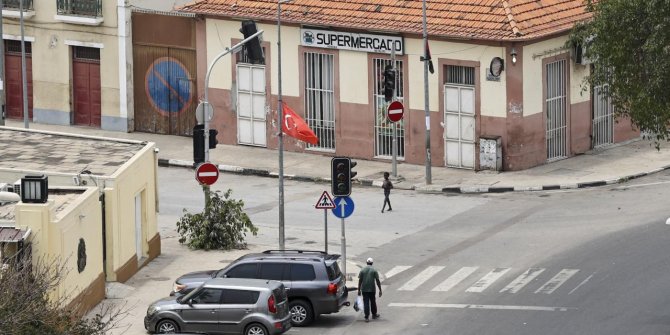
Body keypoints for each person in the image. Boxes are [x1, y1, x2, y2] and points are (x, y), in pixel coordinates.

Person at [358, 257, 382, 322]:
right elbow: (377, 281)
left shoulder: (362, 270)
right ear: (372, 263)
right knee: (373, 301)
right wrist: (380, 290)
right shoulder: (374, 270)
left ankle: (366, 317)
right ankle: (374, 314)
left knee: (366, 303)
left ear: (366, 262)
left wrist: (359, 290)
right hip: (372, 289)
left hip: (364, 289)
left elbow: (360, 280)